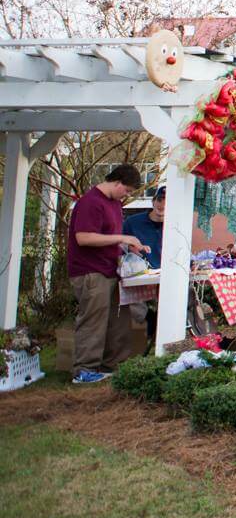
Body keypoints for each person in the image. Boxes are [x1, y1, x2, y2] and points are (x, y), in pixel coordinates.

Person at [67, 164, 150, 383]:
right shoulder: (91, 202)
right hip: (90, 271)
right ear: (117, 182)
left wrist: (128, 247)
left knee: (119, 320)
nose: (127, 195)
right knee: (93, 321)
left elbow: (108, 237)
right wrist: (122, 238)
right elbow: (84, 237)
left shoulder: (114, 204)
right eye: (127, 190)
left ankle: (113, 365)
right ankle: (84, 369)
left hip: (111, 269)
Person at [122, 186, 166, 343]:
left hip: (166, 273)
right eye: (160, 200)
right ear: (153, 201)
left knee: (187, 292)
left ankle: (167, 327)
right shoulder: (133, 222)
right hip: (139, 272)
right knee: (125, 293)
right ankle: (149, 319)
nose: (162, 204)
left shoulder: (176, 224)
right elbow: (120, 244)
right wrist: (129, 247)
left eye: (167, 201)